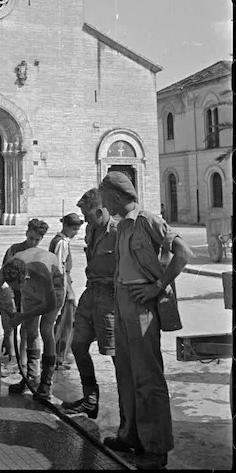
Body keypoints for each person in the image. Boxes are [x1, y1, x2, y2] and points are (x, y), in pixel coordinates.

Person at [98, 171, 193, 470]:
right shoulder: (120, 227)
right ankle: (131, 437)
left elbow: (183, 253)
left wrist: (157, 286)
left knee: (148, 378)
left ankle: (156, 447)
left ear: (114, 195)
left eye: (104, 197)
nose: (103, 204)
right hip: (122, 301)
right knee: (126, 374)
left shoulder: (147, 220)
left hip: (142, 306)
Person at [0, 245, 65, 400]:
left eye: (13, 286)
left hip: (53, 290)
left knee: (46, 329)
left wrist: (22, 316)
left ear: (24, 279)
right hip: (30, 292)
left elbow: (50, 305)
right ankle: (31, 377)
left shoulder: (42, 271)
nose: (11, 289)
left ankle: (46, 383)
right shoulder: (9, 268)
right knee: (30, 331)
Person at [60, 190, 119, 420]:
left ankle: (128, 417)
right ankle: (90, 400)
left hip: (110, 299)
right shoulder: (91, 229)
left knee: (115, 355)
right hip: (90, 293)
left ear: (99, 211)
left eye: (87, 214)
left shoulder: (117, 231)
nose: (84, 220)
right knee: (78, 345)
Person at [2, 218, 49, 382]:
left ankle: (24, 363)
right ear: (26, 233)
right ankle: (13, 357)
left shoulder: (40, 255)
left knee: (29, 330)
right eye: (31, 238)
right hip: (15, 294)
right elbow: (5, 273)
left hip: (32, 297)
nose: (33, 242)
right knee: (13, 325)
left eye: (37, 240)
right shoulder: (14, 251)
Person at [48, 212, 84, 369]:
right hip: (62, 284)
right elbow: (60, 268)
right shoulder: (61, 243)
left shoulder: (62, 241)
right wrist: (67, 290)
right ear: (66, 227)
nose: (76, 232)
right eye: (74, 229)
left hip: (62, 283)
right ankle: (58, 357)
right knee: (65, 322)